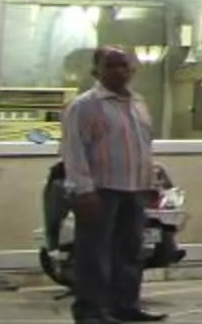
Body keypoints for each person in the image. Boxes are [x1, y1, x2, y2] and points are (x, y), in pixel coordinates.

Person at [62, 46, 165, 324]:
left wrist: (151, 181)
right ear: (96, 71)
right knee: (94, 254)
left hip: (134, 189)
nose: (119, 71)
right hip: (100, 191)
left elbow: (144, 145)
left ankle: (125, 306)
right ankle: (91, 311)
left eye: (124, 65)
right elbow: (74, 150)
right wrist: (83, 191)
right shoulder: (85, 105)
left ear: (132, 69)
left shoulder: (138, 104)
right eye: (111, 65)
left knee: (129, 251)